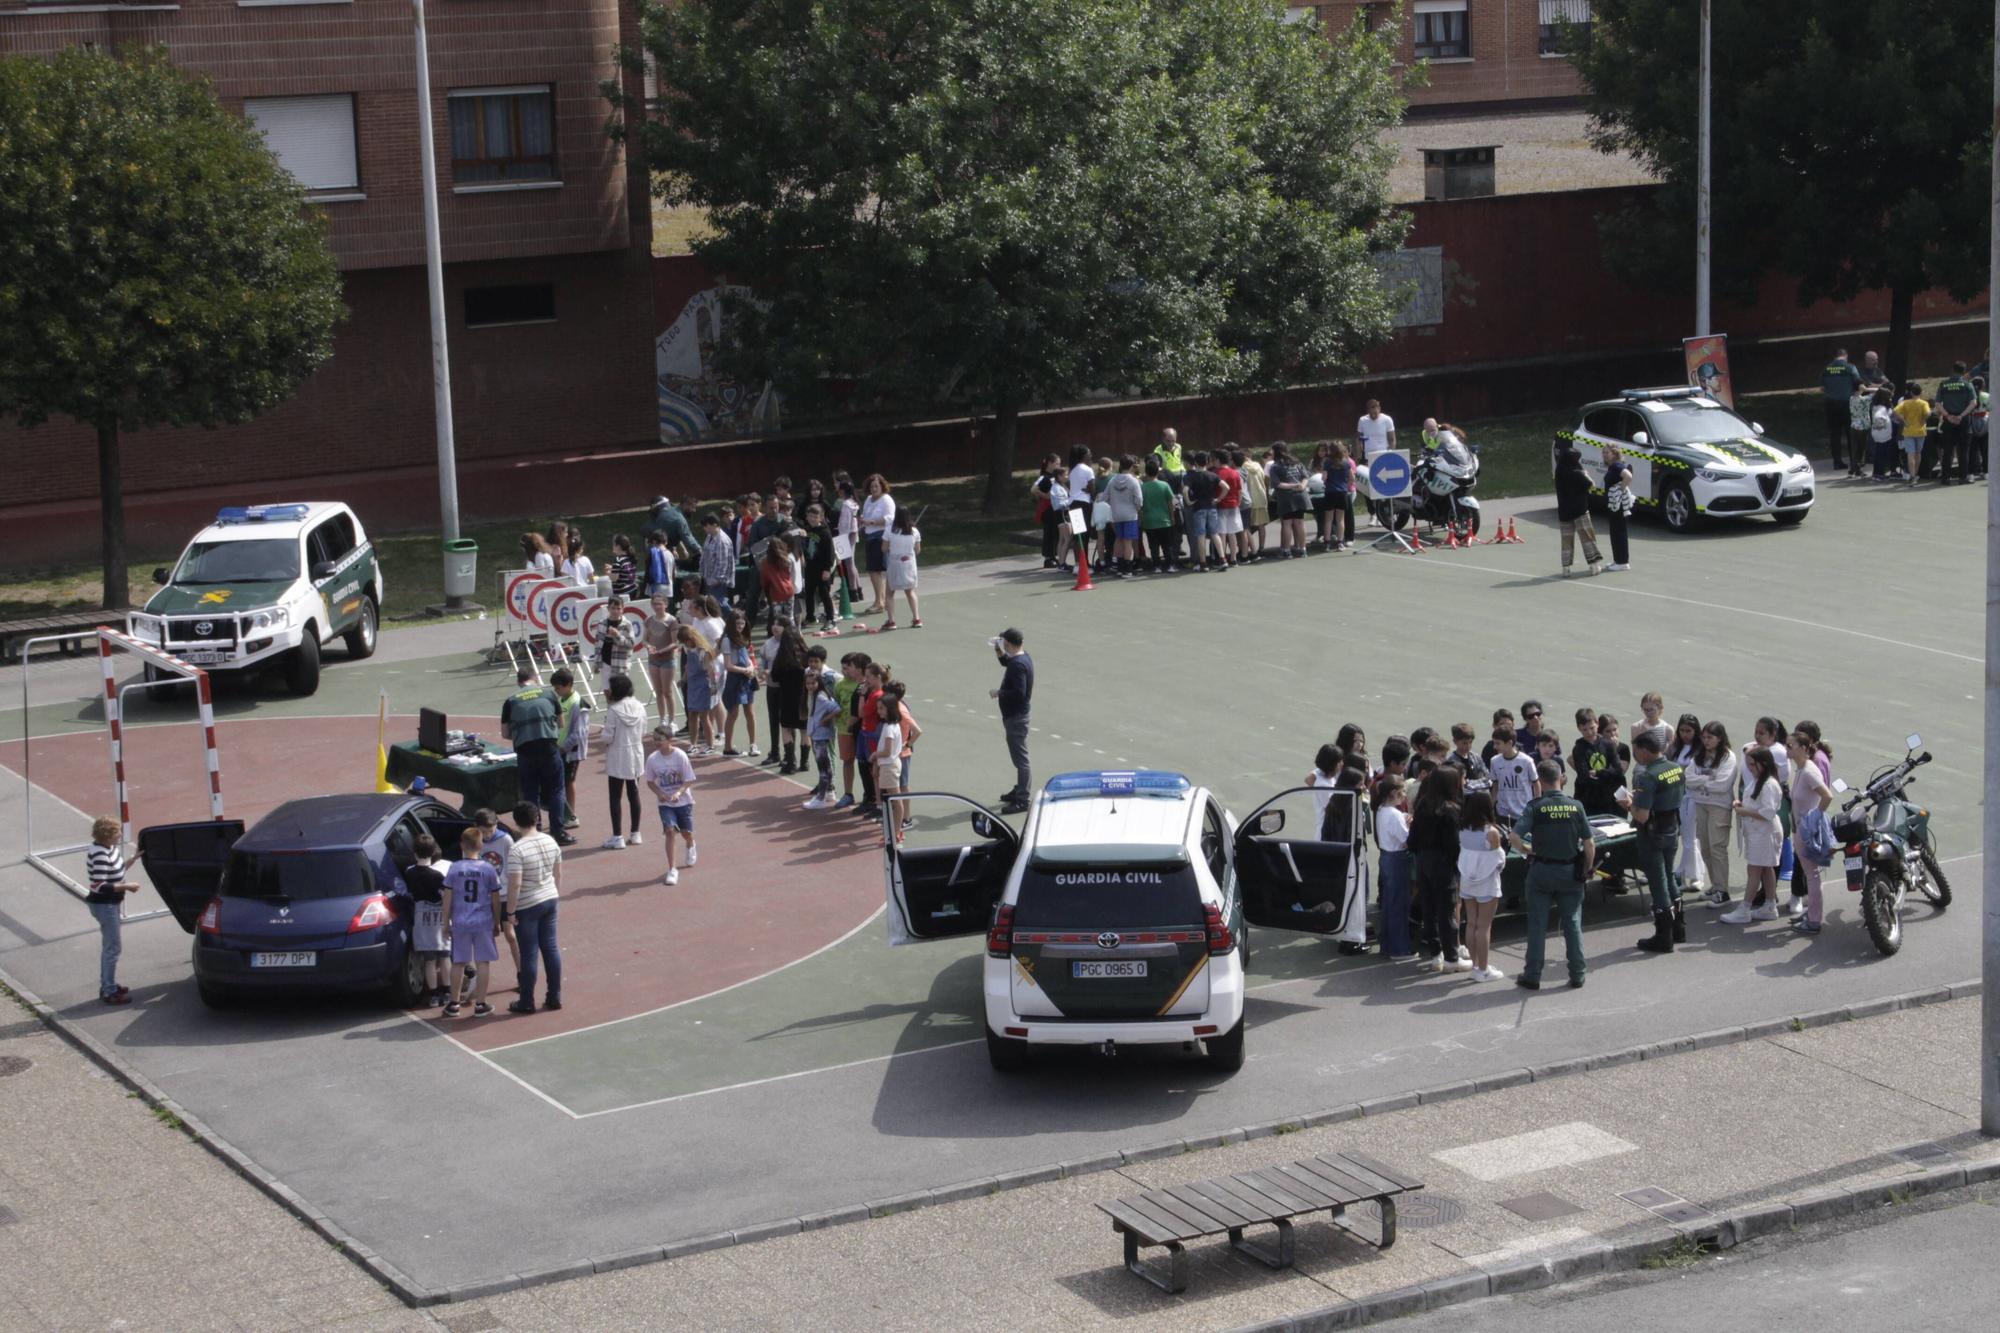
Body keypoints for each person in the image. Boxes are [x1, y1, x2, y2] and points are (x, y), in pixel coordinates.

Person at [1510, 760, 1595, 991]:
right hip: (1570, 872)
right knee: (1572, 923)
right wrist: (1587, 869)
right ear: (1561, 778)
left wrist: (1528, 851)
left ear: (1540, 779)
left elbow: (1514, 837)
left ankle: (1532, 975)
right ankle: (1578, 974)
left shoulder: (1536, 807)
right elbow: (1589, 844)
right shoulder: (1576, 806)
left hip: (1541, 872)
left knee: (1537, 924)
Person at [1626, 731, 1687, 953]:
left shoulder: (1648, 776)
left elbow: (1641, 815)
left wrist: (1628, 804)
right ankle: (1679, 926)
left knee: (1657, 880)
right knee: (1670, 875)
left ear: (1644, 750)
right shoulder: (1676, 768)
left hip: (1652, 833)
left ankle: (1664, 936)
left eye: (1636, 751)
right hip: (1672, 828)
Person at [502, 801, 563, 1015]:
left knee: (529, 953)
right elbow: (558, 874)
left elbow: (515, 884)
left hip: (527, 905)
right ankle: (554, 995)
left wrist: (510, 911)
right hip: (549, 898)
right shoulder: (550, 841)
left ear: (516, 822)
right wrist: (554, 894)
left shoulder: (517, 849)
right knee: (551, 948)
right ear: (537, 818)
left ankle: (526, 1000)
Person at [499, 669, 570, 845]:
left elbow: (505, 733)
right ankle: (558, 832)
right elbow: (561, 723)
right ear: (535, 678)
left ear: (519, 682)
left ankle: (533, 831)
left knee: (531, 792)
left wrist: (522, 733)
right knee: (556, 790)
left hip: (525, 751)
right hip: (548, 748)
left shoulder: (511, 701)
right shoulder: (549, 694)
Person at [1409, 767, 1468, 974]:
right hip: (1443, 863)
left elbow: (1412, 839)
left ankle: (1436, 956)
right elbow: (1453, 844)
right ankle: (1452, 958)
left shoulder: (1423, 804)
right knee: (1447, 911)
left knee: (1429, 909)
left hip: (1423, 860)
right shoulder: (1451, 810)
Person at [443, 827, 502, 1018]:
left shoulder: (454, 868)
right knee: (483, 961)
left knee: (459, 961)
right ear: (481, 845)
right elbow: (495, 897)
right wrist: (497, 920)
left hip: (460, 920)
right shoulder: (488, 869)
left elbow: (448, 897)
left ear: (462, 845)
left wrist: (446, 922)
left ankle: (453, 1004)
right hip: (483, 920)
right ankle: (481, 1003)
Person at [1722, 747, 1784, 925]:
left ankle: (1744, 909)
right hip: (1759, 832)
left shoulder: (1769, 784)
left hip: (1765, 833)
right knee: (1765, 868)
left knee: (1755, 870)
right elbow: (1758, 805)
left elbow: (1767, 813)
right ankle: (1770, 906)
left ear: (1763, 764)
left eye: (1752, 764)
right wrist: (1742, 804)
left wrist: (1744, 811)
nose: (1749, 768)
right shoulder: (1760, 780)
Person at [84, 815, 139, 1005]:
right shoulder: (99, 854)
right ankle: (108, 991)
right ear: (107, 835)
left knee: (111, 946)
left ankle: (109, 984)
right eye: (117, 831)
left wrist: (134, 858)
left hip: (111, 903)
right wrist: (127, 886)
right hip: (104, 904)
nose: (120, 835)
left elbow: (117, 871)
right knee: (112, 948)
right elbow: (99, 885)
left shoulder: (110, 849)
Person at [1785, 731, 1834, 935]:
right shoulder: (1801, 769)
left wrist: (1814, 818)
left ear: (1803, 749)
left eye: (1791, 746)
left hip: (1806, 831)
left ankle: (1814, 920)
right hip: (1800, 830)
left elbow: (1827, 796)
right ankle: (1812, 914)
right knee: (1810, 875)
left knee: (1812, 876)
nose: (1787, 749)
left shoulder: (1808, 771)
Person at [1686, 721, 1738, 906]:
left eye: (1710, 737)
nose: (1706, 741)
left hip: (1719, 807)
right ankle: (1716, 886)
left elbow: (1722, 785)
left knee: (1717, 848)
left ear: (1720, 738)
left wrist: (1700, 782)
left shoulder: (1728, 757)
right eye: (1704, 737)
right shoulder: (1699, 755)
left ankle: (1723, 891)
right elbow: (1687, 778)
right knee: (1706, 847)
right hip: (1701, 804)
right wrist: (1708, 779)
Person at [1456, 791, 1506, 981]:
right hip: (1486, 883)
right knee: (1484, 926)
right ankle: (1483, 969)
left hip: (1467, 882)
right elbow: (1499, 860)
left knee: (1472, 924)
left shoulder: (1462, 828)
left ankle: (1476, 966)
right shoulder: (1491, 832)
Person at [644, 725, 698, 885]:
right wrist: (660, 794)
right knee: (669, 831)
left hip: (683, 802)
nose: (656, 742)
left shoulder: (680, 756)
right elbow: (650, 781)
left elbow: (689, 779)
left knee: (686, 833)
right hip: (665, 804)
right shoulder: (653, 759)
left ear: (669, 740)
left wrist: (678, 793)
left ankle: (690, 844)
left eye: (659, 739)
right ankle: (672, 869)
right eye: (654, 739)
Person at [599, 672, 648, 850]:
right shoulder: (640, 706)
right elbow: (644, 731)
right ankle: (635, 833)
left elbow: (607, 737)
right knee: (633, 793)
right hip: (635, 753)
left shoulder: (613, 710)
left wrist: (604, 735)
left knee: (615, 796)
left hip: (617, 756)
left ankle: (617, 836)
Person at [403, 833, 450, 1007]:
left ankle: (433, 994)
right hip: (438, 916)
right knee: (445, 955)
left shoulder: (409, 872)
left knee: (429, 959)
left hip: (421, 917)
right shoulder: (438, 875)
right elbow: (446, 896)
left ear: (415, 853)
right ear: (433, 853)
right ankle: (447, 990)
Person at [991, 628, 1034, 813]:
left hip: (1016, 717)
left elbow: (1019, 693)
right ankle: (1020, 788)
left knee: (1021, 759)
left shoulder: (1017, 665)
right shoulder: (1022, 658)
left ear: (1008, 643)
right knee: (1018, 757)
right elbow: (1007, 663)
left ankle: (1023, 798)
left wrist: (999, 693)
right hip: (1015, 716)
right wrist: (999, 652)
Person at [1372, 776, 1414, 961]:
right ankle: (1399, 949)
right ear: (1394, 793)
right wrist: (1409, 826)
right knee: (1399, 904)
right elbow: (1406, 842)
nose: (1404, 795)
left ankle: (1388, 946)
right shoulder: (1394, 814)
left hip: (1386, 857)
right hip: (1397, 859)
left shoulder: (1382, 810)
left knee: (1390, 904)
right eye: (1403, 792)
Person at [1554, 444, 1604, 575]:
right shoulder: (1577, 474)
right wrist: (1586, 474)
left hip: (1564, 511)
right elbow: (1591, 484)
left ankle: (1566, 568)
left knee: (1566, 540)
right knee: (1587, 537)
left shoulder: (1559, 472)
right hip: (1580, 510)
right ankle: (1594, 565)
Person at [1669, 713, 1704, 895]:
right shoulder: (1675, 747)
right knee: (1685, 837)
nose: (1685, 734)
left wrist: (1683, 773)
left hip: (1693, 796)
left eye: (1689, 731)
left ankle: (1696, 877)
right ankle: (1685, 874)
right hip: (1678, 796)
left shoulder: (1701, 750)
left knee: (1692, 838)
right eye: (1682, 730)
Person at [551, 668, 589, 834]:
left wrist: (563, 748)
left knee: (569, 781)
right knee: (562, 781)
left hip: (571, 751)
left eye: (558, 688)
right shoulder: (562, 700)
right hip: (560, 748)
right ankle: (565, 812)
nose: (556, 691)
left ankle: (571, 815)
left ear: (568, 685)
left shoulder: (578, 704)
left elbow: (578, 733)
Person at [767, 622, 808, 774]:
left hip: (787, 698)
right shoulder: (806, 656)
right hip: (803, 698)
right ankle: (805, 762)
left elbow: (775, 677)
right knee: (804, 730)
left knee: (786, 729)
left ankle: (790, 762)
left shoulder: (782, 658)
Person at [719, 611, 760, 757]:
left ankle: (753, 745)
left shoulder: (743, 637)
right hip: (735, 679)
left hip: (746, 678)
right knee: (733, 713)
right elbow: (728, 665)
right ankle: (728, 747)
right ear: (731, 624)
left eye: (742, 623)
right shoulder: (726, 640)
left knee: (750, 712)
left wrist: (750, 667)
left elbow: (748, 657)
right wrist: (745, 670)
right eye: (737, 624)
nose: (740, 626)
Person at [874, 680, 909, 844]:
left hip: (889, 766)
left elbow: (887, 751)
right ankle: (896, 831)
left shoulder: (888, 728)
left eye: (881, 708)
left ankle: (895, 833)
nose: (878, 711)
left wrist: (874, 755)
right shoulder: (893, 725)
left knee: (894, 801)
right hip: (892, 765)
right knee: (894, 800)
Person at [802, 669, 842, 810]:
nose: (810, 686)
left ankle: (820, 798)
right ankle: (829, 792)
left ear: (818, 683)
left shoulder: (820, 697)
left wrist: (825, 720)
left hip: (820, 735)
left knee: (822, 768)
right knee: (826, 766)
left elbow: (837, 709)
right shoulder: (815, 695)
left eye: (813, 683)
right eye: (808, 683)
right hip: (818, 734)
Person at [833, 651, 868, 809]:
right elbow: (835, 705)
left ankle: (870, 796)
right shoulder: (839, 685)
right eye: (843, 668)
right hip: (844, 729)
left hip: (861, 730)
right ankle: (848, 794)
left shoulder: (865, 685)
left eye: (848, 668)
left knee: (865, 763)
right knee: (848, 761)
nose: (844, 671)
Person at [1818, 347, 1862, 469]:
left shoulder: (1826, 369)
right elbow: (1858, 383)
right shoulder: (1850, 367)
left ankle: (1837, 462)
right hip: (1846, 403)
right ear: (1845, 356)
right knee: (1850, 433)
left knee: (1835, 434)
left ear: (1835, 357)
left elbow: (1822, 388)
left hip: (1830, 405)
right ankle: (1854, 462)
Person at [641, 594, 680, 731]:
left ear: (665, 604)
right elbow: (644, 639)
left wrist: (662, 651)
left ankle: (672, 720)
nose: (657, 606)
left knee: (667, 691)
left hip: (667, 660)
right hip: (653, 661)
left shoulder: (672, 621)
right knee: (658, 692)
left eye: (660, 604)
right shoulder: (648, 620)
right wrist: (649, 647)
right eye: (655, 604)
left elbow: (675, 643)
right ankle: (662, 718)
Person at [677, 624, 717, 755]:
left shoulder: (703, 651)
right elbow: (688, 666)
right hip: (692, 685)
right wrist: (683, 679)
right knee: (692, 715)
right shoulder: (689, 650)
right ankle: (693, 744)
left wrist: (713, 685)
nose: (685, 644)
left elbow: (710, 669)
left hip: (702, 685)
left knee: (704, 717)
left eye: (685, 641)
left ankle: (710, 745)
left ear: (691, 638)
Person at [858, 474, 896, 611]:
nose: (873, 489)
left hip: (881, 536)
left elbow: (890, 519)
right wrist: (863, 519)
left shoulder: (886, 500)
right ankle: (881, 600)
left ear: (882, 486)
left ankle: (879, 602)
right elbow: (866, 515)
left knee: (875, 570)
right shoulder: (868, 499)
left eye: (876, 486)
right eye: (871, 486)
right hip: (869, 536)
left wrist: (872, 522)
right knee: (873, 570)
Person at [798, 500, 838, 628]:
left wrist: (827, 569)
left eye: (815, 516)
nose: (812, 519)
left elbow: (830, 552)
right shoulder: (807, 530)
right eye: (810, 516)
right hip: (810, 568)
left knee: (824, 593)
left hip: (822, 569)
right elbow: (803, 547)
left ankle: (831, 618)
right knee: (809, 593)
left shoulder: (825, 532)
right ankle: (810, 617)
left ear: (821, 517)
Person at [1936, 361, 1977, 485]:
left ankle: (1945, 478)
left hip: (1948, 420)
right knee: (1963, 450)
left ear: (1952, 370)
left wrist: (1947, 416)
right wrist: (1961, 416)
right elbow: (1973, 403)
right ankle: (1962, 477)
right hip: (1963, 420)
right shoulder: (1967, 385)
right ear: (1964, 371)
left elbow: (1937, 404)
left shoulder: (1943, 384)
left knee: (1948, 450)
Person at [1103, 455, 1144, 579]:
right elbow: (1139, 500)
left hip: (1116, 515)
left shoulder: (1112, 480)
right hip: (1130, 514)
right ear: (1132, 466)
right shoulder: (1133, 481)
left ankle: (1119, 567)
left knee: (1119, 539)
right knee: (1128, 542)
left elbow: (1104, 497)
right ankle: (1127, 569)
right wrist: (1137, 508)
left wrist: (1114, 504)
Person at [1267, 442, 1309, 559]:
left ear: (1276, 452)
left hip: (1286, 498)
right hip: (1300, 495)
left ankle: (1286, 550)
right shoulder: (1296, 462)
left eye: (1272, 451)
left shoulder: (1275, 466)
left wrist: (1293, 486)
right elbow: (1305, 477)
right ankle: (1302, 549)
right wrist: (1301, 486)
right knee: (1299, 522)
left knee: (1287, 523)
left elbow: (1277, 484)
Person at [1487, 725, 1535, 825]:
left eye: (1497, 743)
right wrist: (1490, 807)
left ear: (1509, 743)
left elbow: (1536, 783)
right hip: (1503, 813)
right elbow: (1495, 786)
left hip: (1523, 813)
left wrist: (1536, 806)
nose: (1494, 747)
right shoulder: (1494, 761)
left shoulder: (1527, 761)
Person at [884, 508, 923, 625]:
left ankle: (891, 621)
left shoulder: (889, 531)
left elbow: (884, 548)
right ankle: (916, 618)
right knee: (910, 592)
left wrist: (893, 547)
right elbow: (917, 550)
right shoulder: (915, 531)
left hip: (894, 565)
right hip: (909, 565)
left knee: (890, 593)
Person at [1138, 458, 1176, 573]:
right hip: (1164, 520)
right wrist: (1172, 516)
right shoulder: (1164, 485)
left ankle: (1157, 566)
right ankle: (1170, 565)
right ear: (1158, 472)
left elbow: (1140, 506)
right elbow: (1171, 503)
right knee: (1167, 545)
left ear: (1146, 472)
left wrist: (1141, 519)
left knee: (1153, 545)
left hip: (1149, 521)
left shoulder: (1143, 487)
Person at [1601, 444, 1634, 572]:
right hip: (1615, 504)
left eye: (1607, 452)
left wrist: (1620, 490)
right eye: (1603, 452)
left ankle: (1622, 562)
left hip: (1617, 504)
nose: (1604, 455)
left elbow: (1628, 476)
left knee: (1618, 531)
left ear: (1614, 454)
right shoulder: (1612, 466)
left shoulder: (1616, 466)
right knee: (1615, 531)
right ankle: (1618, 560)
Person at [594, 595, 635, 694]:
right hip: (605, 662)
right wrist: (596, 662)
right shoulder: (602, 624)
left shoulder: (627, 625)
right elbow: (598, 645)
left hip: (620, 663)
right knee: (607, 692)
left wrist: (617, 635)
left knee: (621, 694)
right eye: (613, 608)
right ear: (608, 608)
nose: (615, 611)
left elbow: (631, 644)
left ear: (622, 609)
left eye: (618, 608)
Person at [1894, 382, 1931, 486]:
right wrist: (1924, 420)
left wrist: (1903, 420)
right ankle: (1916, 474)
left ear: (1911, 392)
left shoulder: (1905, 403)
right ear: (1921, 392)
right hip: (1920, 431)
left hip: (1908, 430)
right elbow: (1928, 413)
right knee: (1918, 454)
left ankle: (1912, 476)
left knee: (1910, 454)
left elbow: (1895, 411)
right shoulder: (1924, 403)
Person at [1323, 442, 1356, 552]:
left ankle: (1327, 543)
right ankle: (1340, 542)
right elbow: (1352, 478)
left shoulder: (1327, 462)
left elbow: (1324, 477)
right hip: (1342, 492)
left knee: (1328, 519)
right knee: (1340, 519)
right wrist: (1345, 486)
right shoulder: (1346, 462)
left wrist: (1326, 482)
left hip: (1330, 492)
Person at [699, 511, 735, 606]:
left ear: (715, 524)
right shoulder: (709, 537)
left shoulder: (722, 540)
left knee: (719, 604)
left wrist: (717, 580)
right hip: (709, 578)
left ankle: (735, 617)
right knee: (713, 605)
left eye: (707, 526)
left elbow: (722, 563)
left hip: (718, 581)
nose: (705, 528)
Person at [606, 534, 640, 603]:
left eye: (613, 545)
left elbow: (614, 578)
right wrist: (613, 568)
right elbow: (625, 571)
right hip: (633, 590)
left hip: (623, 594)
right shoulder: (630, 558)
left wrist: (609, 573)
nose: (612, 547)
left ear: (618, 546)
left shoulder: (618, 560)